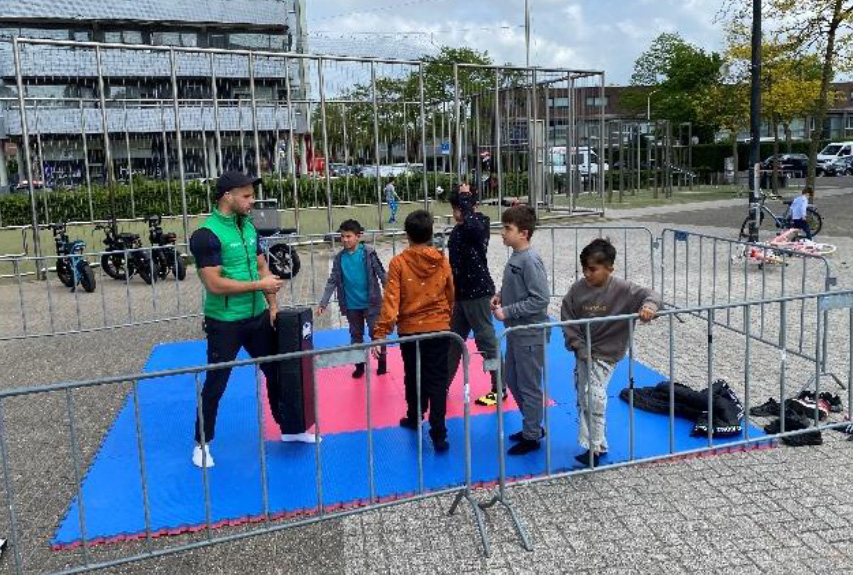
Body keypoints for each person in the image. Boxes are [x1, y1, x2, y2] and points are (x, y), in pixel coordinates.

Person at [189, 172, 313, 469]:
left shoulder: (248, 227)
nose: (252, 201)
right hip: (225, 322)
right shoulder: (206, 235)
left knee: (278, 373)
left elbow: (262, 267)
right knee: (216, 383)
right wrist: (260, 286)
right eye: (246, 196)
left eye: (251, 195)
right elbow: (214, 284)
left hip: (258, 316)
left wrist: (273, 305)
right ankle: (202, 444)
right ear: (227, 196)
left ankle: (290, 429)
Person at [561, 238, 660, 468]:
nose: (587, 273)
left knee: (594, 397)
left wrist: (649, 307)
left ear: (609, 269)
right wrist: (578, 346)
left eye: (592, 269)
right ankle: (596, 443)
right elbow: (567, 319)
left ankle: (594, 448)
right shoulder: (577, 290)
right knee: (583, 396)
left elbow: (651, 294)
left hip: (606, 354)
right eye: (584, 268)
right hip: (583, 352)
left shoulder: (624, 289)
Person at [373, 210, 455, 452]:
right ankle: (439, 433)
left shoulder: (398, 263)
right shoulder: (442, 261)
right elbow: (450, 292)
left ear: (406, 234)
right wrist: (446, 316)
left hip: (410, 330)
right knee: (438, 381)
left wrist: (381, 333)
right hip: (439, 328)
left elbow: (391, 301)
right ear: (430, 234)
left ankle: (414, 415)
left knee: (413, 374)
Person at [491, 205, 550, 456]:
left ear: (523, 233)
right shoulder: (516, 256)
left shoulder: (530, 260)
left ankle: (532, 435)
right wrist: (500, 295)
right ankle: (532, 426)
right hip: (515, 332)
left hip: (530, 334)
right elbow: (516, 286)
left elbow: (540, 299)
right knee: (512, 379)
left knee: (529, 385)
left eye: (507, 228)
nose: (502, 233)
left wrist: (508, 311)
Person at [445, 185, 502, 406]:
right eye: (455, 208)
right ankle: (443, 385)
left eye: (460, 208)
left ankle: (499, 388)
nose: (456, 213)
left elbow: (475, 230)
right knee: (453, 341)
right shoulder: (459, 229)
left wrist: (465, 198)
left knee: (486, 341)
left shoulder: (479, 224)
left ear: (472, 206)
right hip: (461, 295)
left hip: (478, 293)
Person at [318, 219, 387, 378]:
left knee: (377, 333)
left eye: (348, 236)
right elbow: (332, 281)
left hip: (372, 304)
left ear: (358, 236)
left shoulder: (368, 253)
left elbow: (382, 275)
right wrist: (324, 302)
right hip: (351, 305)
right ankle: (359, 365)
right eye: (342, 236)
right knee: (355, 336)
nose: (345, 240)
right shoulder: (339, 258)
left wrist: (392, 295)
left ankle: (382, 363)